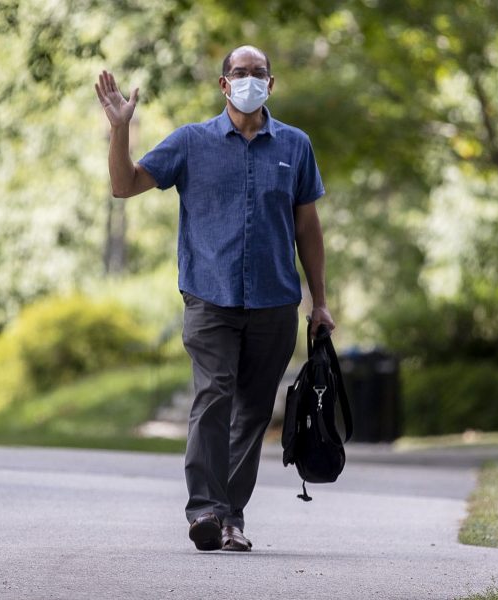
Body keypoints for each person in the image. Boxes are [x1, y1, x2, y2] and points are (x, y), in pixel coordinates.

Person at [94, 45, 334, 552]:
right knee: (213, 395)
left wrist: (321, 301)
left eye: (259, 73)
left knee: (252, 412)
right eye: (240, 73)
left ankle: (230, 518)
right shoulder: (191, 142)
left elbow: (307, 227)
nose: (250, 80)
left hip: (274, 302)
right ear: (224, 85)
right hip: (209, 297)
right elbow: (123, 184)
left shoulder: (296, 145)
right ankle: (204, 508)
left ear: (272, 83)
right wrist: (120, 130)